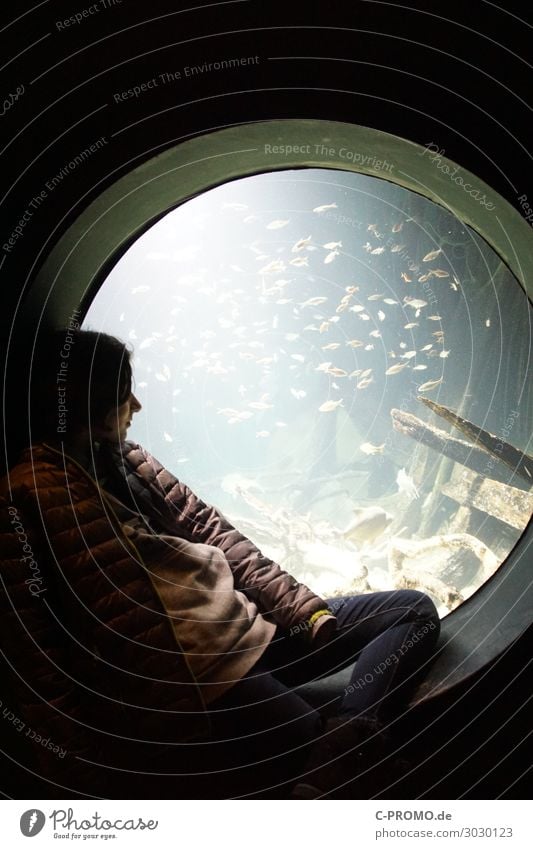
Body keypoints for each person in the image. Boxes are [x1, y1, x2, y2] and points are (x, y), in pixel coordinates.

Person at [0, 328, 440, 799]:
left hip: (254, 631)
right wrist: (79, 778)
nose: (139, 406)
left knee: (409, 611)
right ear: (100, 407)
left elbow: (213, 532)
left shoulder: (129, 460)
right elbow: (35, 653)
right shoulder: (24, 497)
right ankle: (336, 757)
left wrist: (304, 611)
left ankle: (347, 737)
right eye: (127, 393)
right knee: (329, 766)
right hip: (201, 683)